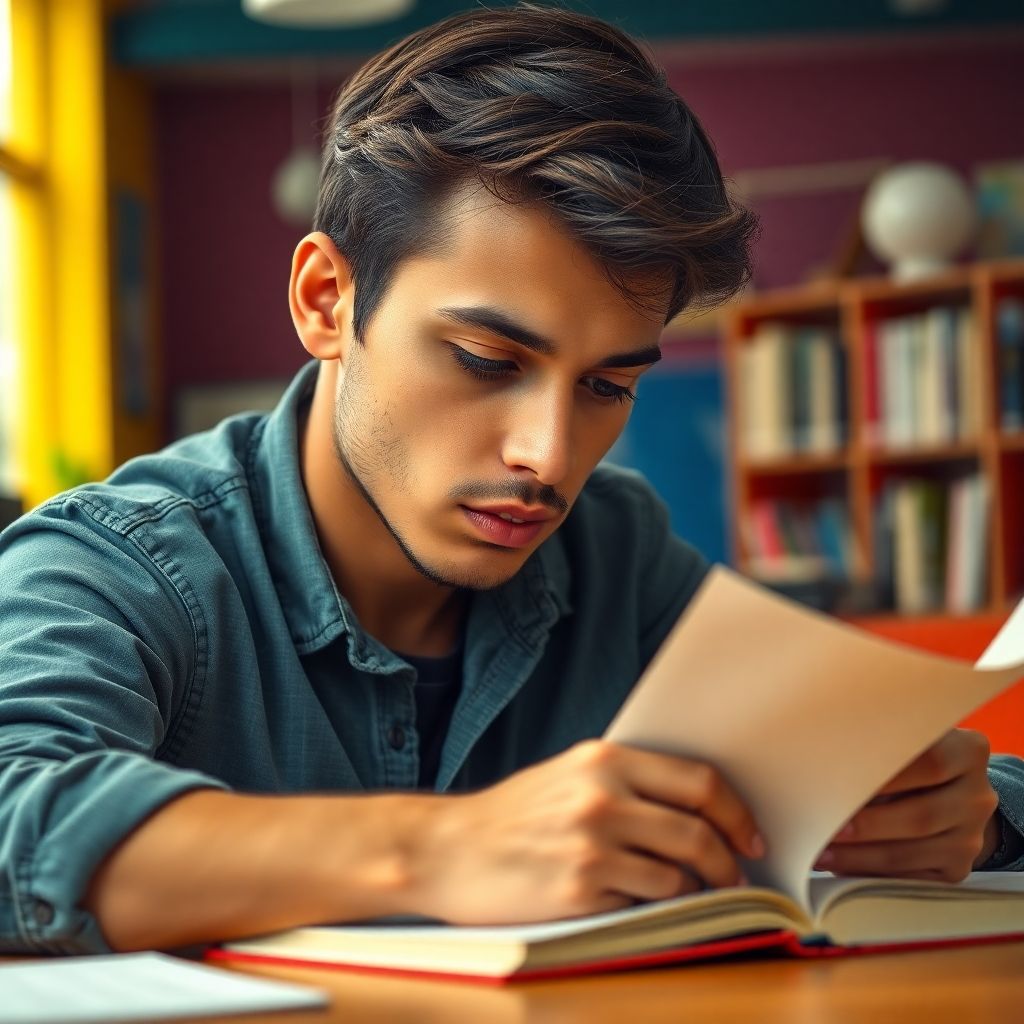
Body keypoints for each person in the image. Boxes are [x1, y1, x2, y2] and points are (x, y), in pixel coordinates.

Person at [1, 3, 1021, 957]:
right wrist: (443, 847)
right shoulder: (117, 563)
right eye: (488, 361)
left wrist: (962, 813)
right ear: (325, 301)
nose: (550, 454)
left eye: (608, 384)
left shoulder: (613, 550)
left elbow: (889, 760)